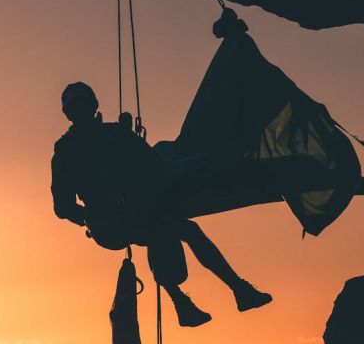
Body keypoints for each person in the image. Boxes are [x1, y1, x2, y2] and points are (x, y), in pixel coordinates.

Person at [51, 81, 272, 327]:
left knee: (163, 230)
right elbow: (151, 165)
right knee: (182, 229)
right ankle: (235, 290)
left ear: (68, 113)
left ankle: (191, 303)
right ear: (92, 107)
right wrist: (98, 211)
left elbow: (63, 206)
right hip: (118, 219)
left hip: (114, 223)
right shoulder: (104, 137)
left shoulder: (71, 148)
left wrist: (92, 214)